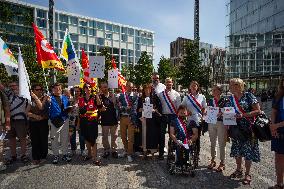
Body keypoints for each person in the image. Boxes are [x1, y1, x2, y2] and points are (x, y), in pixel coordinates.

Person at [227, 78, 261, 185]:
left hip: (248, 129)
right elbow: (228, 112)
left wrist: (244, 115)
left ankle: (247, 173)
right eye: (231, 85)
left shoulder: (249, 96)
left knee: (248, 151)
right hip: (235, 129)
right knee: (237, 150)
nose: (231, 87)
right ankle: (238, 170)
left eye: (234, 85)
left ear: (240, 85)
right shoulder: (230, 98)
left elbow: (258, 111)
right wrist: (222, 114)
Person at [4, 82, 30, 164]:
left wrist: (26, 113)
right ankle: (13, 156)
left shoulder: (24, 94)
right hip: (10, 120)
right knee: (11, 139)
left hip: (21, 120)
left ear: (18, 86)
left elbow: (29, 103)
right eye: (10, 86)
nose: (12, 87)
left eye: (14, 85)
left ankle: (23, 155)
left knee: (22, 138)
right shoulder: (7, 95)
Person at [181, 81, 207, 164]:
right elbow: (182, 107)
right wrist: (186, 111)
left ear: (197, 87)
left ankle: (196, 155)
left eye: (195, 86)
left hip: (198, 120)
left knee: (197, 139)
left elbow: (204, 108)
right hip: (189, 120)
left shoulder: (202, 97)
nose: (193, 87)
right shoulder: (186, 97)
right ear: (189, 87)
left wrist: (204, 116)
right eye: (192, 86)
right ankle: (188, 153)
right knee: (189, 137)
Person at [78, 83, 102, 165]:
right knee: (86, 138)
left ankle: (95, 157)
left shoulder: (94, 97)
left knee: (93, 139)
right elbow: (79, 111)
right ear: (84, 89)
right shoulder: (81, 99)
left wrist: (97, 95)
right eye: (86, 87)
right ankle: (89, 154)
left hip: (93, 122)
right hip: (83, 121)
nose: (88, 89)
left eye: (89, 87)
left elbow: (99, 105)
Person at [157, 78, 181, 160]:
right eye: (167, 82)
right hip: (163, 116)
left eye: (170, 82)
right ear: (165, 83)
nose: (168, 84)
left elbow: (178, 108)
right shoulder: (160, 94)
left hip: (173, 116)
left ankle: (171, 153)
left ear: (172, 83)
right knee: (161, 135)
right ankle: (161, 153)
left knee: (172, 136)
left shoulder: (177, 94)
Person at [137, 84, 162, 158]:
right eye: (145, 89)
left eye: (149, 89)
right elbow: (137, 109)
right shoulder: (141, 98)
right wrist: (140, 109)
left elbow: (159, 107)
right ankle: (144, 152)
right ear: (143, 90)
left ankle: (152, 153)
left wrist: (155, 110)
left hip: (153, 120)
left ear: (151, 90)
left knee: (152, 136)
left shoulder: (155, 98)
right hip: (144, 120)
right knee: (144, 136)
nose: (147, 90)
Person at [49, 83, 72, 164]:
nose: (58, 90)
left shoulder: (65, 98)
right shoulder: (50, 98)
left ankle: (65, 154)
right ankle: (55, 155)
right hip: (54, 121)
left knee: (65, 139)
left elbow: (68, 108)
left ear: (61, 89)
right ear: (53, 89)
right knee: (54, 138)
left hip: (64, 120)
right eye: (56, 88)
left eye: (59, 88)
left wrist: (70, 108)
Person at [28, 84, 50, 164]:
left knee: (43, 140)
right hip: (33, 122)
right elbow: (26, 111)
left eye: (40, 89)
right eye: (37, 89)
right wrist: (34, 116)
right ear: (33, 91)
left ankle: (43, 156)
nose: (39, 91)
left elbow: (41, 107)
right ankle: (35, 157)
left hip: (43, 121)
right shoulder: (29, 99)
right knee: (34, 140)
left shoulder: (45, 98)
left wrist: (36, 98)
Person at [207, 85, 228, 172]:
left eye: (215, 90)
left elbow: (229, 110)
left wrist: (222, 113)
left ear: (220, 91)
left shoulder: (225, 100)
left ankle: (222, 162)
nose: (213, 91)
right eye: (213, 89)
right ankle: (213, 160)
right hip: (212, 122)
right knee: (212, 142)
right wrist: (205, 112)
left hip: (221, 123)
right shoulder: (210, 100)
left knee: (222, 143)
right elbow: (208, 110)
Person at [269, 78, 284, 189]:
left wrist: (276, 125)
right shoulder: (279, 96)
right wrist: (273, 126)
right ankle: (279, 183)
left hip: (279, 128)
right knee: (278, 158)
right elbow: (273, 112)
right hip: (278, 133)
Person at [118, 82, 138, 162]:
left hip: (131, 118)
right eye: (129, 86)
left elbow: (134, 107)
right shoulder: (121, 95)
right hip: (122, 117)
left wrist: (124, 108)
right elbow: (119, 107)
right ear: (125, 86)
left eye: (131, 87)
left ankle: (129, 154)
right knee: (122, 136)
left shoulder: (135, 96)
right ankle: (126, 150)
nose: (130, 88)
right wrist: (126, 108)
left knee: (130, 138)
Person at [99, 82, 119, 158]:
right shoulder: (100, 97)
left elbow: (118, 106)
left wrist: (115, 102)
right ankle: (106, 150)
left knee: (114, 136)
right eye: (103, 87)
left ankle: (114, 151)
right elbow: (98, 107)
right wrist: (101, 108)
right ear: (101, 88)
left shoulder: (113, 95)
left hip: (114, 120)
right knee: (105, 137)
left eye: (106, 87)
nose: (105, 88)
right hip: (105, 120)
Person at [0, 86, 10, 171]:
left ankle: (1, 162)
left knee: (1, 144)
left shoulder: (2, 94)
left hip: (1, 124)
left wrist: (7, 123)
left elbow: (6, 109)